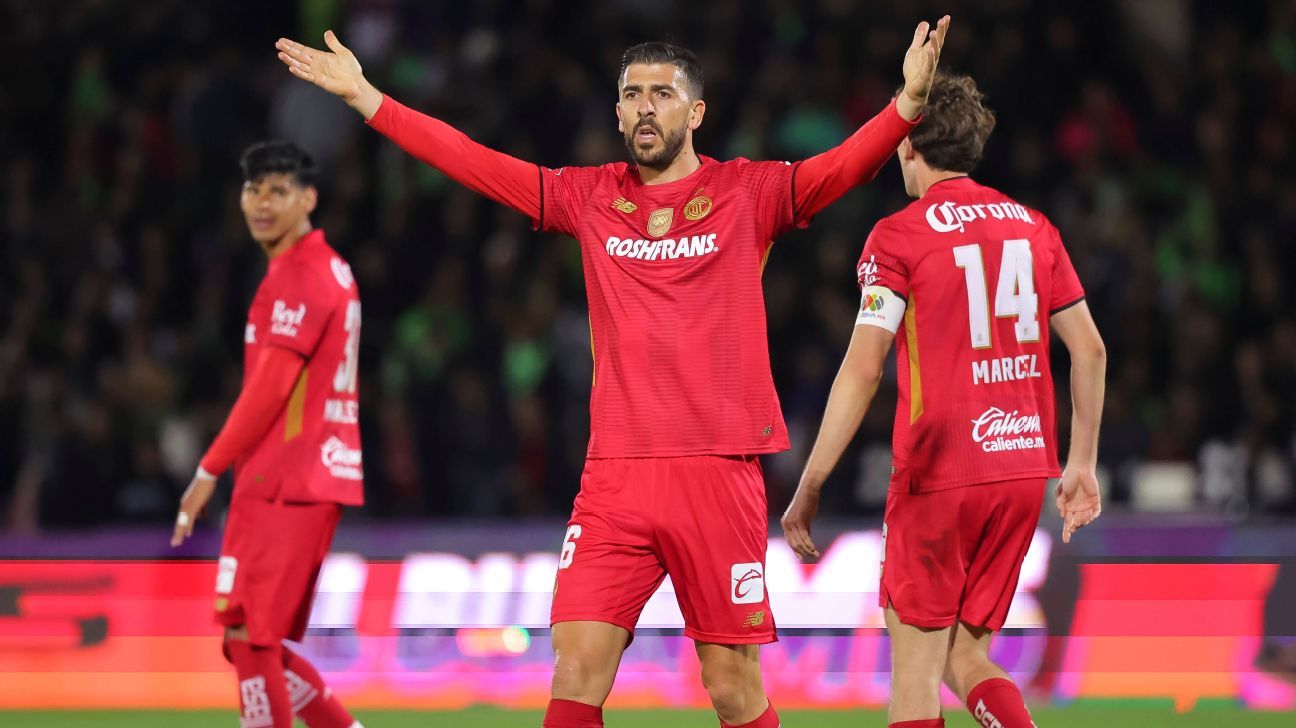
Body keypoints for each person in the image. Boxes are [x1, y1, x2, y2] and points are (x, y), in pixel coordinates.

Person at [274, 18, 948, 728]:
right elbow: (476, 163)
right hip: (615, 479)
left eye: (663, 93)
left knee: (731, 685)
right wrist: (370, 99)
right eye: (632, 94)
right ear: (618, 111)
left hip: (715, 472)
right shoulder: (591, 197)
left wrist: (905, 104)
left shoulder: (748, 192)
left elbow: (839, 168)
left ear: (696, 114)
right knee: (576, 668)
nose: (645, 106)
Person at [781, 73, 1106, 728]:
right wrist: (1081, 464)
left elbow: (864, 367)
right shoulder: (1033, 228)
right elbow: (1090, 350)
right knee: (967, 656)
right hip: (1021, 470)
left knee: (915, 676)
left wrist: (811, 479)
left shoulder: (899, 236)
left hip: (941, 473)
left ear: (907, 146)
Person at [171, 141, 365, 728]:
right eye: (253, 189)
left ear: (309, 199)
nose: (262, 202)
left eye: (278, 190)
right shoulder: (320, 267)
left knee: (250, 638)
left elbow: (270, 389)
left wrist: (207, 471)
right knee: (252, 641)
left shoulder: (301, 274)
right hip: (307, 474)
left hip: (287, 474)